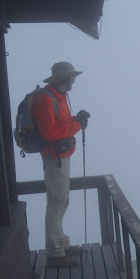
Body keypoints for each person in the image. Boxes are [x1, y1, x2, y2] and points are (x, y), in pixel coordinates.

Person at [33, 61, 90, 267]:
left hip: (60, 156)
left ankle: (61, 243)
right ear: (64, 78)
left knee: (61, 200)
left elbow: (59, 125)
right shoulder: (46, 99)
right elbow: (50, 133)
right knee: (57, 202)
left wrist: (76, 118)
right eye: (72, 76)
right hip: (54, 158)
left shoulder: (58, 96)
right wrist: (77, 124)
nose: (74, 79)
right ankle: (55, 253)